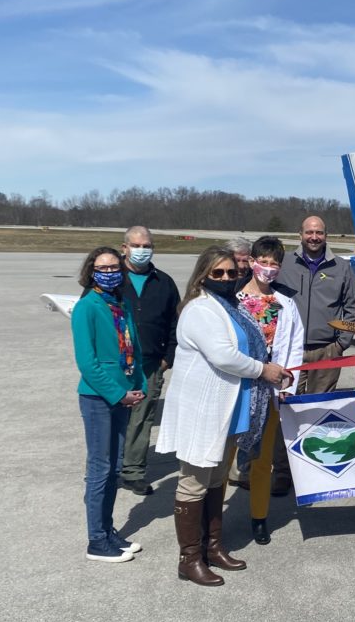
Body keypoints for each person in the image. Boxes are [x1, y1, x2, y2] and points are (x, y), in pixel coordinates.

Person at [155, 246, 293, 586]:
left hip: (230, 408)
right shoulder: (200, 309)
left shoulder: (231, 307)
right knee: (194, 481)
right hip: (204, 409)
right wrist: (265, 370)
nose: (227, 278)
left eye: (232, 272)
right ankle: (189, 559)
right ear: (203, 275)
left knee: (216, 479)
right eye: (218, 273)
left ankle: (212, 546)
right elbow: (223, 356)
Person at [274, 216, 355, 493]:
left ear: (326, 235)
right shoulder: (285, 263)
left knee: (319, 410)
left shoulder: (341, 267)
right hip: (291, 352)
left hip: (326, 350)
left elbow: (351, 306)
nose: (314, 237)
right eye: (309, 232)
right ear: (300, 233)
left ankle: (313, 466)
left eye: (319, 232)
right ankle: (284, 471)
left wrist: (341, 343)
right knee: (285, 411)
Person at [71, 247, 146, 563]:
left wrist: (139, 384)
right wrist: (117, 394)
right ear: (92, 271)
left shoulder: (121, 304)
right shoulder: (86, 307)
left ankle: (107, 528)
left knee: (115, 467)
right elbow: (87, 363)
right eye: (103, 267)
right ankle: (96, 540)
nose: (110, 272)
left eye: (115, 267)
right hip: (99, 398)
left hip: (123, 394)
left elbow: (134, 349)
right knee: (100, 468)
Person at [237, 236, 304, 545]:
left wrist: (288, 381)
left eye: (274, 263)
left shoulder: (285, 303)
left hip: (272, 388)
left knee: (264, 458)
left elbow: (294, 346)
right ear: (252, 261)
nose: (268, 268)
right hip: (239, 387)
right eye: (263, 262)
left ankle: (259, 517)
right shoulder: (234, 299)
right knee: (228, 454)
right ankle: (212, 518)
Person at [116, 225, 181, 496]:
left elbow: (175, 324)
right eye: (136, 245)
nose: (142, 250)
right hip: (116, 364)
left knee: (142, 419)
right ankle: (110, 467)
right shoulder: (111, 279)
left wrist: (168, 359)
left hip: (152, 364)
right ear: (125, 248)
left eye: (147, 246)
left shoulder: (163, 282)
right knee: (113, 416)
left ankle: (133, 472)